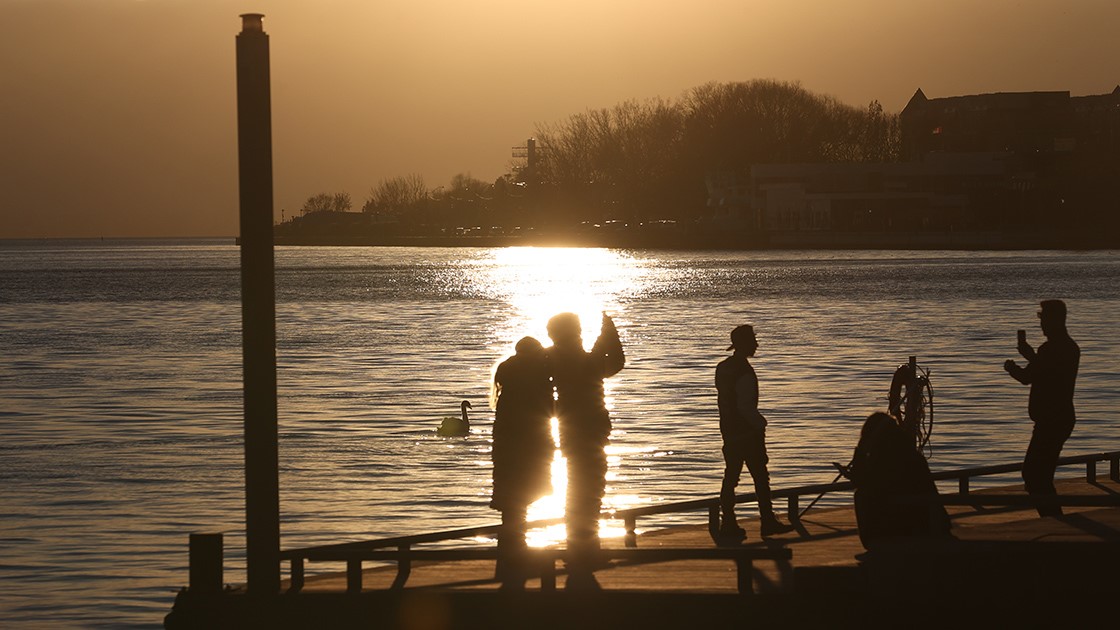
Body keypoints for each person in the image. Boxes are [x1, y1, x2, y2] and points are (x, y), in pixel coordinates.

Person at [546, 311, 624, 589]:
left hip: (572, 430)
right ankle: (583, 551)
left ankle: (581, 549)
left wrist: (606, 334)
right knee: (587, 491)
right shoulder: (574, 358)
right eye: (577, 329)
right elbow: (613, 362)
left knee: (582, 490)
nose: (580, 333)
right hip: (588, 430)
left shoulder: (553, 358)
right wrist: (608, 332)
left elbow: (607, 360)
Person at [715, 324, 794, 541]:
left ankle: (728, 522)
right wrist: (760, 424)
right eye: (753, 341)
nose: (757, 345)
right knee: (760, 477)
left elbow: (726, 402)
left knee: (731, 476)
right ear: (744, 344)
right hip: (748, 433)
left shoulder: (722, 368)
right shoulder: (745, 371)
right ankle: (767, 521)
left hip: (728, 430)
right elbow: (745, 406)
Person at [1004, 299, 1080, 517]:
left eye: (1044, 319)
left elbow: (1028, 377)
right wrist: (1030, 356)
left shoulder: (1050, 349)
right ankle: (1052, 516)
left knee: (1034, 474)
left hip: (1050, 421)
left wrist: (1011, 368)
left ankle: (1052, 517)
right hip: (1061, 418)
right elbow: (1047, 372)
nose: (1042, 325)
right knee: (1040, 474)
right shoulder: (1069, 347)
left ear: (1055, 320)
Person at [490, 336, 555, 585]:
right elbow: (548, 409)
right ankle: (516, 556)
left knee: (513, 501)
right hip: (530, 444)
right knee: (523, 496)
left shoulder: (508, 373)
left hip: (507, 446)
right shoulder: (534, 376)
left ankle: (510, 555)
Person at [842, 412, 952, 550]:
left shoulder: (885, 459)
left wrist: (860, 451)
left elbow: (864, 482)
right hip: (922, 519)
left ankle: (873, 539)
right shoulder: (909, 453)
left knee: (861, 495)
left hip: (908, 523)